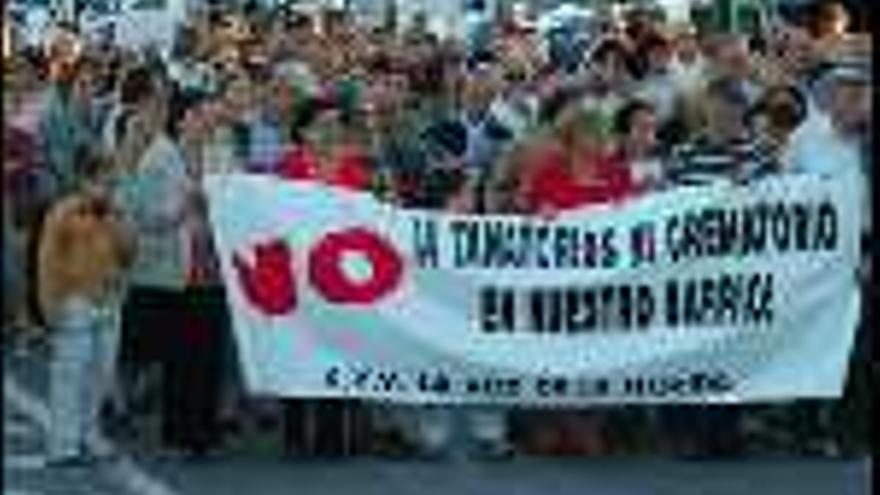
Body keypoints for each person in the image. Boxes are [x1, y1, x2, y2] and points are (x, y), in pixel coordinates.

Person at [39, 188, 133, 465]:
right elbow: (47, 260)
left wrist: (122, 222)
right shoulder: (63, 212)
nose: (106, 186)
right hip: (74, 299)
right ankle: (63, 444)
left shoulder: (113, 213)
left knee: (102, 373)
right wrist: (49, 303)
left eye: (110, 179)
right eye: (102, 178)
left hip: (108, 297)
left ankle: (90, 434)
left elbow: (128, 253)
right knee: (70, 374)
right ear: (85, 178)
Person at [667, 77, 777, 187]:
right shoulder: (684, 154)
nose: (730, 108)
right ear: (706, 108)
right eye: (720, 114)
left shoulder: (760, 150)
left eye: (736, 103)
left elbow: (772, 192)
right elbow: (673, 196)